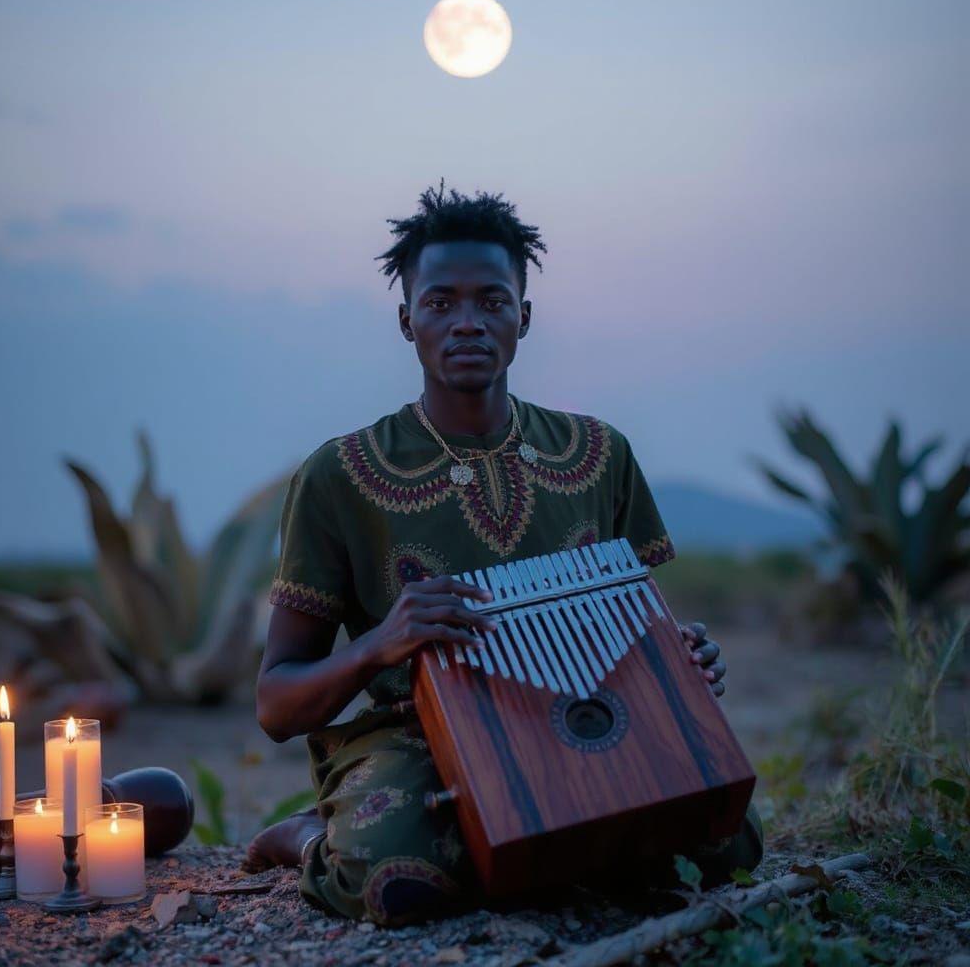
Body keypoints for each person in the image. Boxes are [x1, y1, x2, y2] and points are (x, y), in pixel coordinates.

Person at [248, 182, 762, 926]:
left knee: (726, 841)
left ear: (524, 315)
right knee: (398, 881)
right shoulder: (340, 475)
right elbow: (275, 704)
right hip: (418, 739)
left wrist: (681, 661)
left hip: (580, 717)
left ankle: (532, 840)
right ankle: (305, 836)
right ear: (406, 320)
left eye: (492, 301)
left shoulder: (598, 453)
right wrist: (378, 646)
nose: (468, 322)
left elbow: (637, 629)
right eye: (440, 302)